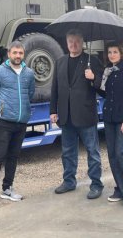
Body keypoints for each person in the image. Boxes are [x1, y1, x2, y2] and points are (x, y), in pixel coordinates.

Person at [50, 29, 104, 199]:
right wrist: (53, 111)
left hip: (85, 115)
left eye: (77, 42)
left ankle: (96, 184)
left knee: (92, 152)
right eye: (70, 41)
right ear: (67, 43)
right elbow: (55, 89)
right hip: (66, 116)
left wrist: (93, 77)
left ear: (82, 43)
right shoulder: (60, 62)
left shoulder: (92, 61)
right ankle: (69, 181)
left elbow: (102, 87)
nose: (73, 45)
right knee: (67, 152)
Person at [0, 41, 35, 206]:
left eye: (20, 53)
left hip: (21, 121)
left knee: (13, 156)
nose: (18, 56)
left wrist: (24, 111)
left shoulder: (29, 73)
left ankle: (8, 188)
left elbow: (30, 93)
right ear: (9, 54)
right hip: (3, 121)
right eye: (15, 53)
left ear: (23, 54)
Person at [97, 42, 123, 210]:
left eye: (115, 52)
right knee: (113, 156)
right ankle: (120, 189)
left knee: (121, 154)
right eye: (109, 52)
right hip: (109, 119)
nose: (112, 55)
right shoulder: (109, 72)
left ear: (122, 53)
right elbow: (105, 94)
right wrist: (93, 80)